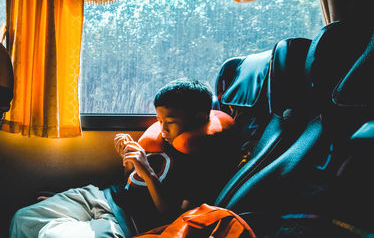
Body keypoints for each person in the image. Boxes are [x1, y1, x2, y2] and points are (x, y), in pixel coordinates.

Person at [10, 78, 239, 238]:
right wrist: (129, 163)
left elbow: (172, 217)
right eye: (159, 121)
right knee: (24, 218)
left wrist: (146, 171)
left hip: (128, 223)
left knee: (51, 234)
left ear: (199, 116)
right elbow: (132, 185)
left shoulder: (203, 161)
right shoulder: (165, 141)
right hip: (103, 197)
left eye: (169, 122)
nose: (162, 129)